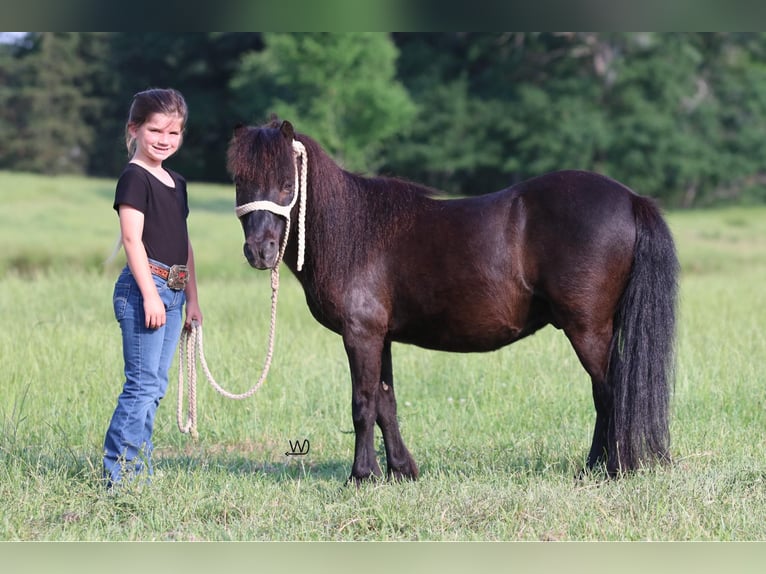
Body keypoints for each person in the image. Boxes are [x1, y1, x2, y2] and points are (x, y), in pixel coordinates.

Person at [103, 88, 202, 488]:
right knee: (142, 385)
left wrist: (192, 297)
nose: (164, 139)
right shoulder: (134, 177)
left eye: (173, 133)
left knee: (155, 387)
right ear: (134, 129)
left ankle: (135, 467)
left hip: (174, 291)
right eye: (155, 129)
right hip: (146, 289)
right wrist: (149, 294)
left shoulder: (176, 182)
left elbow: (185, 240)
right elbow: (132, 241)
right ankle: (121, 476)